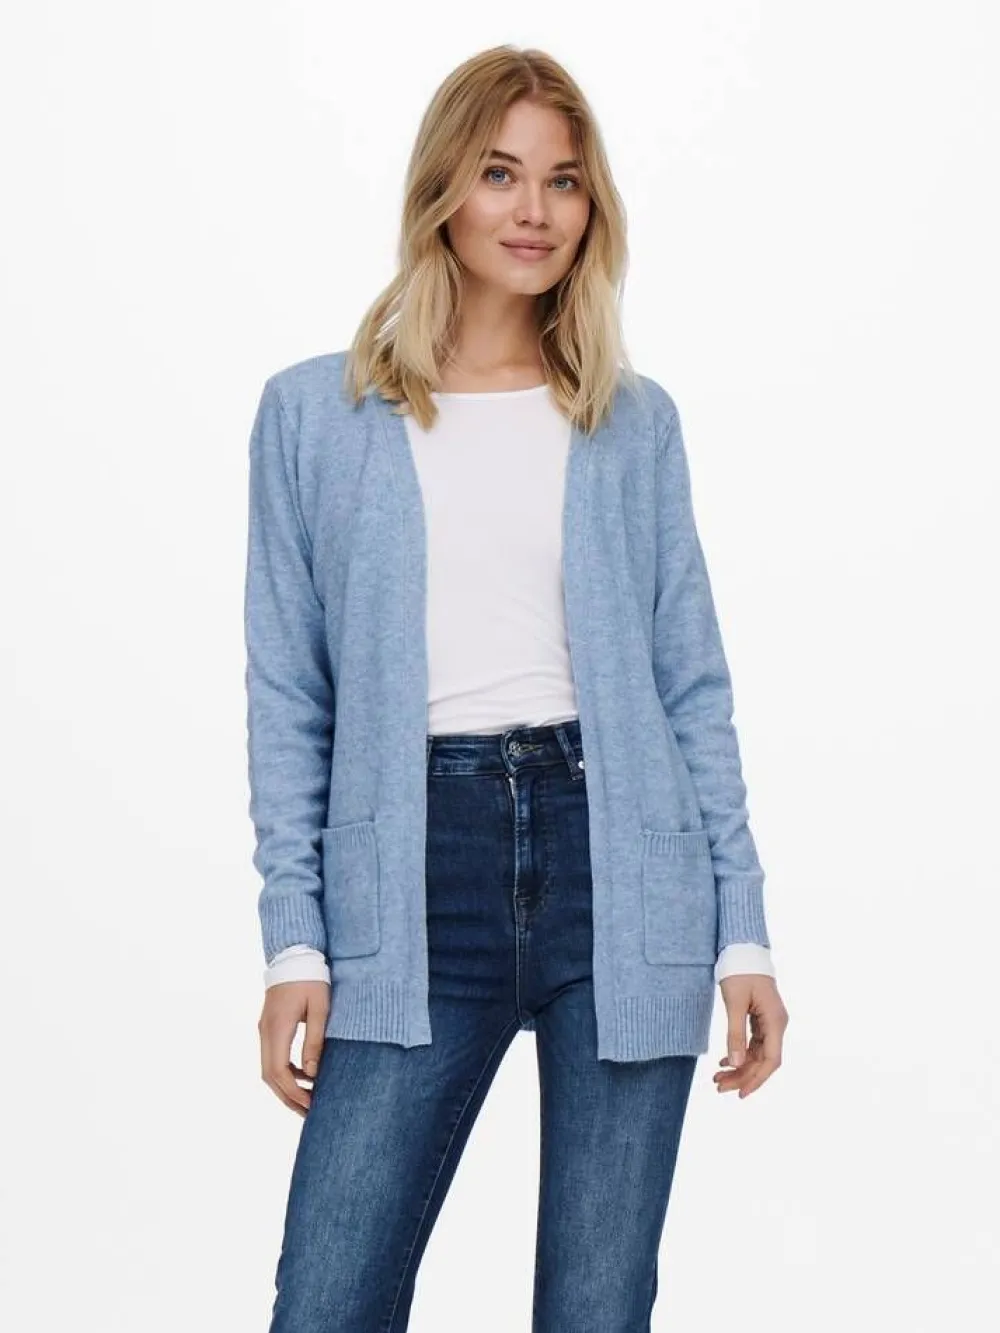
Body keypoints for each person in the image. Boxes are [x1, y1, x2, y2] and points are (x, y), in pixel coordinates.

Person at [244, 43, 789, 1333]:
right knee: (327, 1301)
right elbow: (289, 696)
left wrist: (745, 931)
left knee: (597, 1309)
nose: (534, 210)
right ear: (443, 188)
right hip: (413, 872)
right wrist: (294, 937)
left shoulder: (631, 422)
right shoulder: (315, 416)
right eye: (500, 174)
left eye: (563, 180)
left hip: (624, 866)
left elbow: (690, 685)